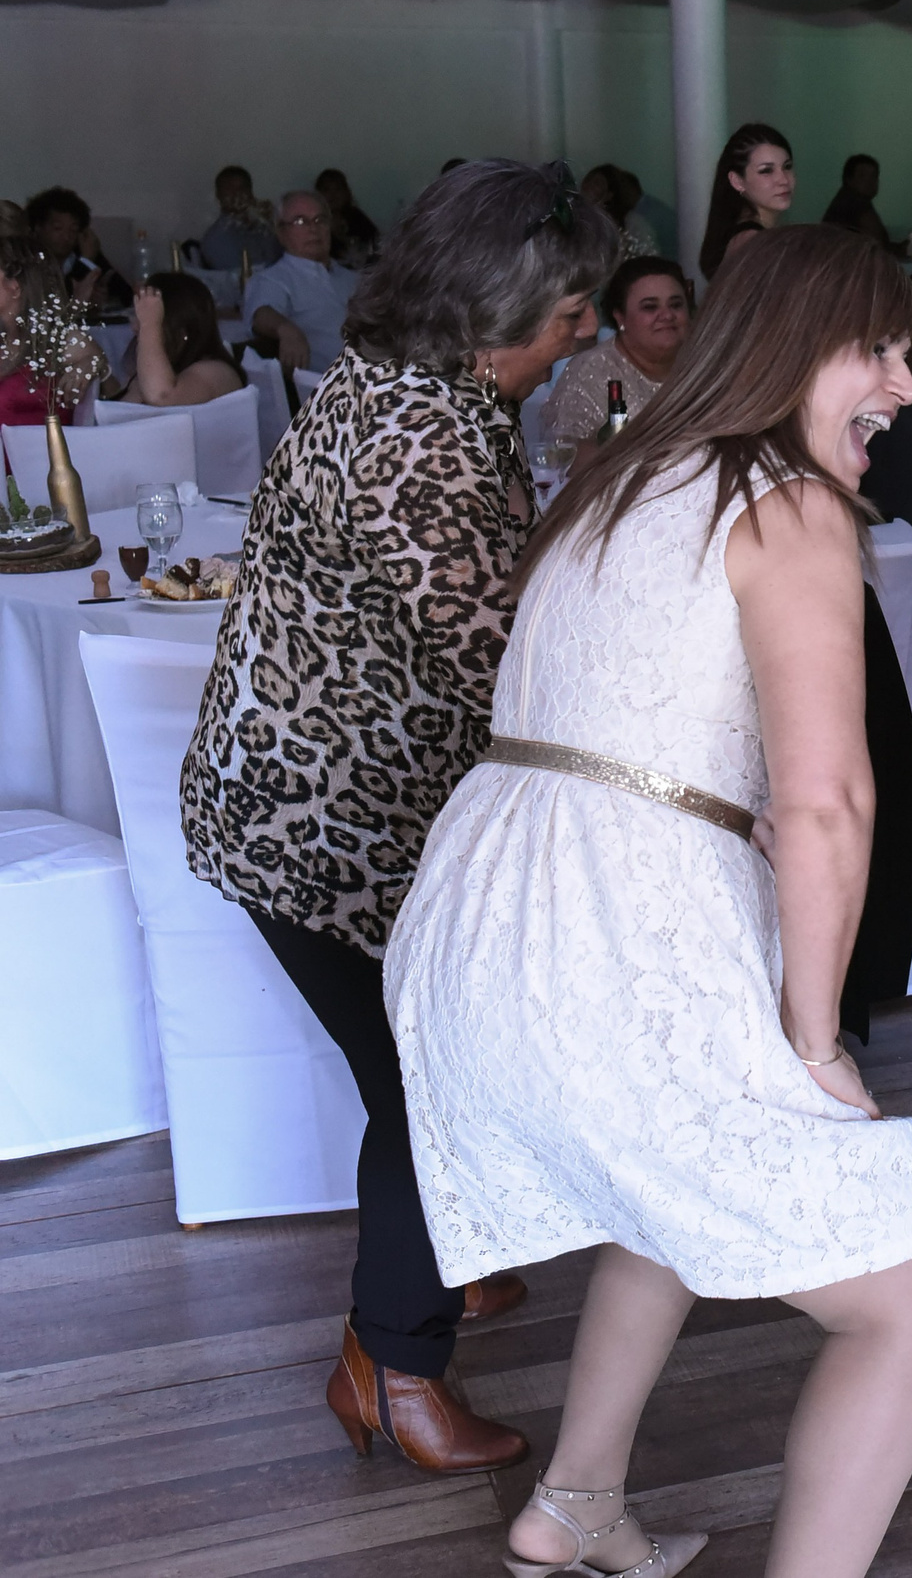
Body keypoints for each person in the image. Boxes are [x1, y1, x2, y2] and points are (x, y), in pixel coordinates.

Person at [387, 226, 912, 1577]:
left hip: (480, 924)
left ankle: (575, 1501)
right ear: (791, 348)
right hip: (600, 936)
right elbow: (832, 803)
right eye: (877, 349)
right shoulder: (789, 502)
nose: (908, 385)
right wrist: (812, 1042)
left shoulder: (621, 475)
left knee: (671, 1197)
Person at [179, 159, 618, 1475]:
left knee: (412, 1073)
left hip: (325, 806)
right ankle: (394, 1361)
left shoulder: (420, 383)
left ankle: (436, 1256)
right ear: (494, 313)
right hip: (324, 827)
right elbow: (506, 662)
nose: (586, 330)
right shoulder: (419, 435)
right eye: (571, 312)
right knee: (438, 1085)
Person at [552, 255, 691, 465]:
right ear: (620, 317)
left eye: (676, 305)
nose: (667, 315)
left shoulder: (704, 362)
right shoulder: (591, 373)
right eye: (650, 307)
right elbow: (565, 455)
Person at [243, 190, 361, 373]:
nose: (313, 229)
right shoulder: (274, 279)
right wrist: (286, 330)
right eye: (300, 221)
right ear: (281, 232)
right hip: (336, 388)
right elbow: (260, 313)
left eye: (319, 220)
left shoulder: (353, 278)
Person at [0, 235, 106, 425]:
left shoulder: (60, 341)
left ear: (14, 287)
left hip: (34, 452)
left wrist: (92, 363)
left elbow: (105, 375)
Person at [116, 272, 247, 407]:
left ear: (181, 331)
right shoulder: (151, 375)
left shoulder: (216, 372)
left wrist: (149, 325)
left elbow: (162, 397)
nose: (135, 327)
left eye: (146, 315)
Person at [699, 123, 795, 279]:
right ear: (737, 181)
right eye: (766, 170)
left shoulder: (754, 236)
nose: (783, 179)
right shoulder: (751, 241)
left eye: (787, 166)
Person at [25, 187, 131, 310]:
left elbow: (126, 295)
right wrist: (86, 262)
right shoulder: (28, 257)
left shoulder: (83, 251)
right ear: (38, 228)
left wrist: (104, 298)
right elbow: (51, 299)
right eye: (57, 228)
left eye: (73, 230)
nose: (66, 237)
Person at [196, 164, 281, 274]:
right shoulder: (216, 238)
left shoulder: (264, 228)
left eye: (243, 188)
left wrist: (277, 223)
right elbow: (238, 279)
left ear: (251, 193)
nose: (237, 194)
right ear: (219, 195)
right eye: (229, 189)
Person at [582, 163, 658, 258]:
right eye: (588, 180)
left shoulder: (632, 223)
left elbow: (648, 255)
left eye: (597, 183)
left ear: (609, 194)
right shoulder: (578, 218)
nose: (589, 186)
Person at [314, 169, 381, 268]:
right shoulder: (313, 222)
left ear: (346, 193)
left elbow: (376, 242)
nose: (333, 195)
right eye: (327, 190)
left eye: (338, 189)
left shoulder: (356, 216)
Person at [821, 152, 891, 245]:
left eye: (874, 176)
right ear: (849, 179)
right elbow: (876, 241)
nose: (869, 181)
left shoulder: (846, 199)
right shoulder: (855, 201)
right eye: (862, 176)